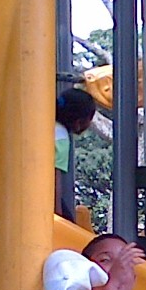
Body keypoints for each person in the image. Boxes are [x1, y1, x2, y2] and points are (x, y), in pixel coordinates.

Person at [55, 88, 98, 222]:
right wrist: (58, 216)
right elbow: (54, 179)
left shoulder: (48, 125)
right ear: (78, 122)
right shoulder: (60, 137)